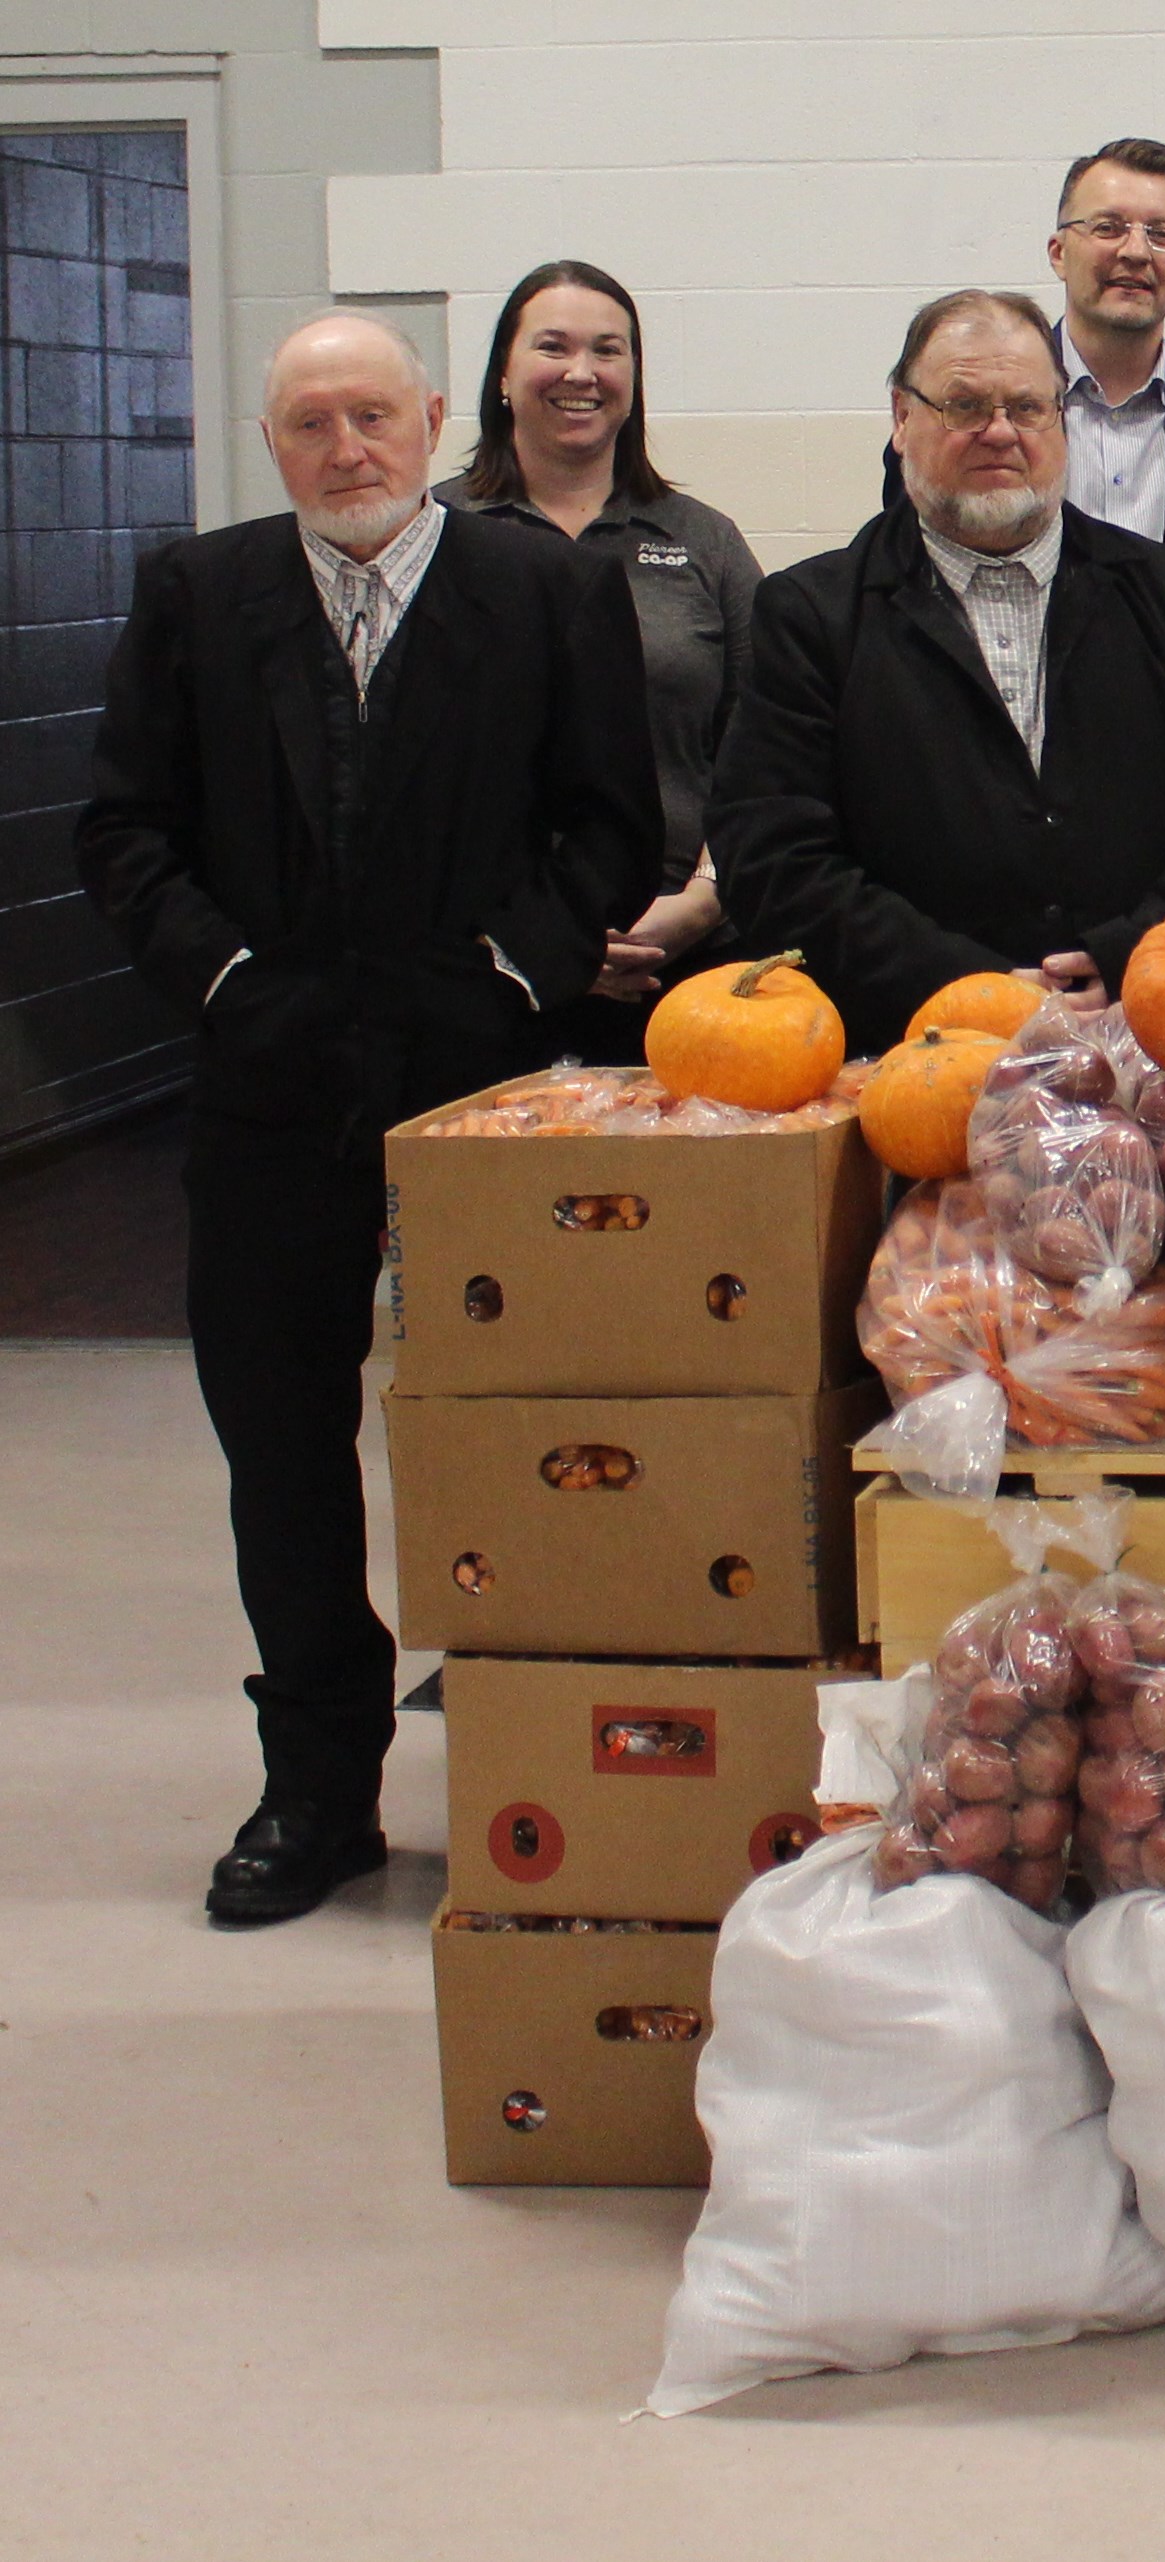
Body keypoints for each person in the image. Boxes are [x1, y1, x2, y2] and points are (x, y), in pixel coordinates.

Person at [77, 312, 658, 1925]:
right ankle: (318, 1786)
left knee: (535, 1431)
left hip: (485, 1085)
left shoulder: (542, 587)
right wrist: (226, 979)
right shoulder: (201, 594)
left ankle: (552, 1769)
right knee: (280, 1441)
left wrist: (511, 973)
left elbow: (610, 818)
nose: (348, 450)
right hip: (267, 1087)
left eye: (372, 416)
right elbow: (123, 829)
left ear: (429, 418)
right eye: (312, 424)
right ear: (272, 444)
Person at [713, 290, 1165, 1050]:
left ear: (1061, 420)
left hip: (1151, 1037)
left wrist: (1131, 953)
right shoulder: (810, 615)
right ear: (901, 418)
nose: (1000, 432)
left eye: (1027, 408)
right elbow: (771, 858)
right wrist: (973, 987)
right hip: (912, 1051)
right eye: (964, 406)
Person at [435, 259, 763, 1061]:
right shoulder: (433, 536)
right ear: (503, 374)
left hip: (684, 959)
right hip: (478, 968)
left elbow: (766, 746)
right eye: (553, 346)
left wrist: (704, 901)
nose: (581, 372)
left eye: (608, 350)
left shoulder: (704, 542)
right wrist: (543, 937)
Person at [877, 138, 1165, 538]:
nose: (1136, 252)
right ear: (1059, 253)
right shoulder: (955, 420)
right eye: (1108, 228)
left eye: (1161, 234)